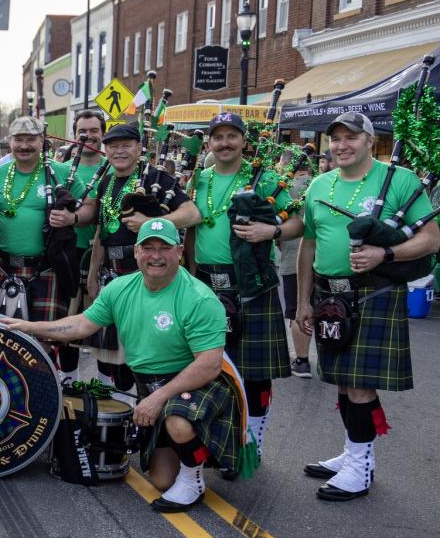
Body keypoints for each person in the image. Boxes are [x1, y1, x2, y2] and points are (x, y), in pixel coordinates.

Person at [4, 218, 243, 512]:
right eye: (148, 248)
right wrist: (31, 327)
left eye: (164, 248)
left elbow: (208, 365)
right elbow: (81, 325)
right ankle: (185, 458)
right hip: (149, 383)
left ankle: (194, 478)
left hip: (195, 382)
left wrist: (157, 398)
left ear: (179, 251)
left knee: (178, 422)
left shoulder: (199, 298)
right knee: (162, 479)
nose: (155, 256)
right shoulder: (120, 289)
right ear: (136, 252)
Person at [296, 112, 440, 501]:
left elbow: (431, 239)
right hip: (330, 294)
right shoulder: (319, 185)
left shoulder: (401, 181)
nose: (342, 145)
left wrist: (385, 252)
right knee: (343, 380)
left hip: (373, 292)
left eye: (351, 138)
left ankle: (360, 466)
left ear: (369, 141)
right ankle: (352, 453)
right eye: (336, 139)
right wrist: (303, 301)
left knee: (359, 384)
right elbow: (309, 245)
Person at [188, 113, 302, 462]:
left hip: (252, 282)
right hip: (207, 282)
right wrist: (190, 275)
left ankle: (252, 442)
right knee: (211, 368)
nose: (224, 142)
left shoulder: (264, 179)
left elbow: (298, 221)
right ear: (209, 142)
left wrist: (272, 232)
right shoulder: (199, 179)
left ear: (243, 141)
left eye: (231, 136)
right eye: (217, 136)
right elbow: (192, 229)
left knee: (254, 374)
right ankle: (220, 439)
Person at [74, 122, 200, 390]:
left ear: (139, 148)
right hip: (111, 272)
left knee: (141, 349)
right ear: (106, 150)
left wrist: (152, 223)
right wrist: (94, 274)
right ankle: (113, 413)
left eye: (126, 145)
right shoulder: (106, 181)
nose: (119, 151)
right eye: (113, 146)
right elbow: (101, 232)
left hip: (145, 274)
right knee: (108, 354)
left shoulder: (155, 178)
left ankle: (142, 412)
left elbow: (192, 214)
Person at [0, 116, 71, 338]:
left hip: (47, 268)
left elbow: (88, 207)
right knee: (4, 337)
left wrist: (73, 218)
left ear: (42, 140)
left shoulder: (59, 172)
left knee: (44, 341)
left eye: (31, 139)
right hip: (5, 268)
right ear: (10, 141)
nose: (24, 145)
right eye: (18, 139)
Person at [49, 109, 110, 378]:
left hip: (104, 254)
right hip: (68, 253)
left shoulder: (112, 166)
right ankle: (69, 382)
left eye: (94, 131)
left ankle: (107, 389)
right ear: (73, 135)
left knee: (105, 327)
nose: (88, 136)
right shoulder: (60, 169)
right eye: (82, 131)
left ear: (103, 133)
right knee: (68, 322)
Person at [279, 155, 314, 377]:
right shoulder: (320, 183)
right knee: (323, 308)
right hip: (323, 258)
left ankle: (302, 361)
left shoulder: (284, 188)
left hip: (294, 257)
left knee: (296, 310)